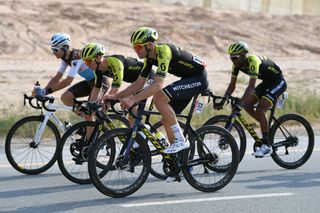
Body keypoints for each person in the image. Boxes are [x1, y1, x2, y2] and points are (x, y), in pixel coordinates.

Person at [105, 27, 209, 154]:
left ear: (149, 45)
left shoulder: (163, 51)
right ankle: (178, 158)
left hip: (198, 78)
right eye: (134, 47)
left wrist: (132, 99)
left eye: (138, 47)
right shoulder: (149, 59)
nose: (136, 50)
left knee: (159, 97)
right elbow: (138, 84)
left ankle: (181, 140)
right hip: (187, 79)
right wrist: (115, 97)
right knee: (167, 119)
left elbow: (157, 85)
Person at [215, 41, 287, 157]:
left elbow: (251, 86)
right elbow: (232, 85)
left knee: (260, 108)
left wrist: (240, 103)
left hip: (278, 81)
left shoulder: (253, 61)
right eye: (231, 58)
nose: (232, 60)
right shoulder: (236, 65)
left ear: (244, 54)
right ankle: (267, 125)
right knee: (248, 105)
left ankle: (266, 145)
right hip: (266, 83)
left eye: (235, 57)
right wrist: (224, 99)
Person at [34, 33, 95, 106]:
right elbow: (58, 76)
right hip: (91, 82)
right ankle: (81, 113)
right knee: (65, 98)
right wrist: (43, 91)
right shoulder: (65, 58)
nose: (53, 53)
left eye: (55, 50)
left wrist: (48, 91)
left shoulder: (76, 58)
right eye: (52, 49)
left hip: (101, 82)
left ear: (65, 48)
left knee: (90, 111)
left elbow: (68, 81)